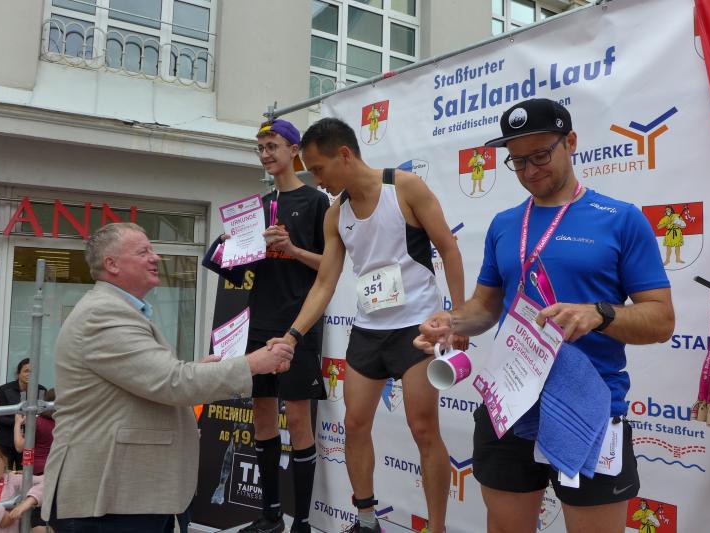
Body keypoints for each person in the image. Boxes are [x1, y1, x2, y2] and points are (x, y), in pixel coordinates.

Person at [416, 98, 674, 533]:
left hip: (589, 405)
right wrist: (450, 323)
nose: (530, 170)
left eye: (540, 155)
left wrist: (601, 314)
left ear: (570, 142)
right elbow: (485, 307)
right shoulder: (504, 224)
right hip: (509, 399)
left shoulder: (620, 219)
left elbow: (662, 320)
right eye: (517, 161)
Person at [269, 117, 468, 533]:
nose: (317, 180)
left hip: (417, 328)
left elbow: (449, 249)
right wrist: (292, 335)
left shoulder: (405, 188)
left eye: (318, 168)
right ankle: (365, 520)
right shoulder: (335, 214)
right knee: (355, 424)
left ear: (344, 154)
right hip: (368, 330)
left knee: (423, 428)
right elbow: (325, 282)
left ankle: (436, 527)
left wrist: (459, 317)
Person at [41, 222, 294, 533]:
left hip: (128, 496)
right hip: (110, 502)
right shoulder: (104, 314)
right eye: (143, 252)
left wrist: (201, 369)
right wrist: (254, 363)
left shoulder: (121, 310)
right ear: (112, 264)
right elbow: (173, 383)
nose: (156, 257)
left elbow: (153, 380)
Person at [202, 118, 330, 533]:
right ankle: (271, 515)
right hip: (258, 323)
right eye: (260, 148)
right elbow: (236, 273)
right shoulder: (256, 206)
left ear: (294, 150)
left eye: (272, 146)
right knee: (261, 416)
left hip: (298, 324)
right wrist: (227, 248)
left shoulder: (316, 202)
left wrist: (291, 248)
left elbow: (331, 267)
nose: (265, 154)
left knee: (299, 421)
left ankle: (303, 522)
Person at [0, 358, 46, 470]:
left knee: (25, 473)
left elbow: (44, 415)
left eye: (33, 372)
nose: (29, 374)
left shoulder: (41, 391)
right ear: (18, 373)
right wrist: (21, 422)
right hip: (4, 440)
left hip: (28, 441)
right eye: (26, 371)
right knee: (2, 473)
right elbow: (0, 418)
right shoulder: (4, 389)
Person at [14, 388, 55, 533]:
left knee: (33, 513)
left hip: (35, 471)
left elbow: (20, 446)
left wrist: (17, 423)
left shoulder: (37, 422)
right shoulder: (61, 423)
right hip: (52, 470)